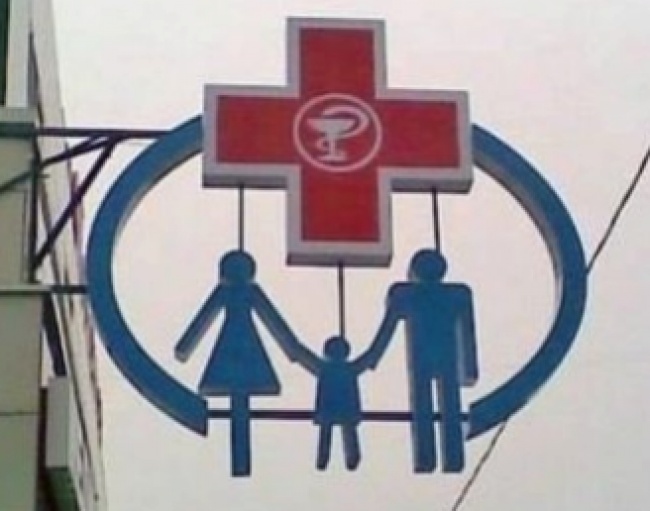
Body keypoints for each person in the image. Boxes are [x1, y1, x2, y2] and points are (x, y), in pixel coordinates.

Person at [174, 250, 303, 476]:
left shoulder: (238, 292)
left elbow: (202, 321)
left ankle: (241, 458)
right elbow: (275, 324)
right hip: (240, 348)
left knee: (239, 399)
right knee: (239, 400)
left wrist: (185, 347)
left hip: (237, 348)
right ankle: (240, 458)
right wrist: (293, 349)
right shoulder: (237, 292)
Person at [363, 249, 478, 473]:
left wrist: (372, 357)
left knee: (426, 404)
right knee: (447, 405)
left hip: (425, 355)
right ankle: (448, 456)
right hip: (442, 355)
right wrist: (470, 368)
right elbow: (468, 334)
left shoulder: (407, 293)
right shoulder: (456, 294)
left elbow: (387, 328)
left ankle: (432, 456)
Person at [290, 334, 367, 470]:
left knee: (334, 433)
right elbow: (369, 357)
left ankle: (333, 459)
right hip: (339, 409)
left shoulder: (326, 368)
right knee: (339, 433)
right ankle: (334, 459)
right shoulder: (346, 369)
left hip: (332, 409)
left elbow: (302, 354)